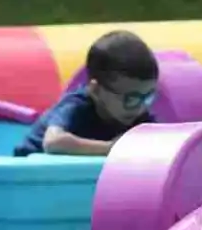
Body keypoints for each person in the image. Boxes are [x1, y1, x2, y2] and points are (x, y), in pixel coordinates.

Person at [15, 30, 161, 156]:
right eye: (131, 99)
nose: (140, 107)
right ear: (96, 90)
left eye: (148, 97)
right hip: (28, 170)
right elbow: (53, 142)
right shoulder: (76, 106)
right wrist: (111, 148)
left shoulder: (138, 114)